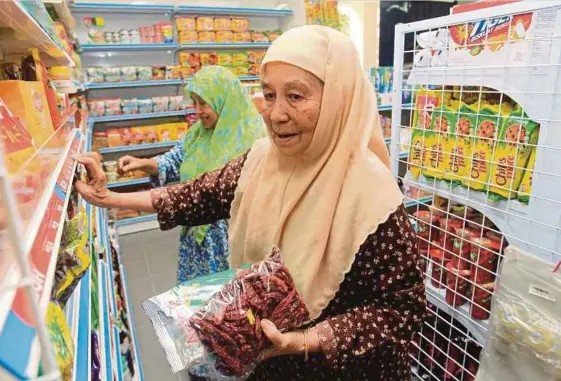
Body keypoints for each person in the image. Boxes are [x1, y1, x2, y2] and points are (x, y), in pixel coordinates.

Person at [76, 25, 425, 380]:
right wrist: (111, 197)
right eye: (269, 95)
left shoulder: (372, 195)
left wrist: (307, 340)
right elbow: (200, 193)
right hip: (268, 362)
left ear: (339, 98)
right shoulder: (262, 159)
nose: (276, 115)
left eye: (296, 96)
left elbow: (402, 309)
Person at [113, 65, 265, 283]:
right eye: (194, 102)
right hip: (196, 234)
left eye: (203, 102)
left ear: (223, 97)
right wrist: (141, 163)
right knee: (196, 298)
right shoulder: (196, 134)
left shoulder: (253, 138)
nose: (198, 110)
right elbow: (173, 161)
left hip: (230, 239)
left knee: (229, 302)